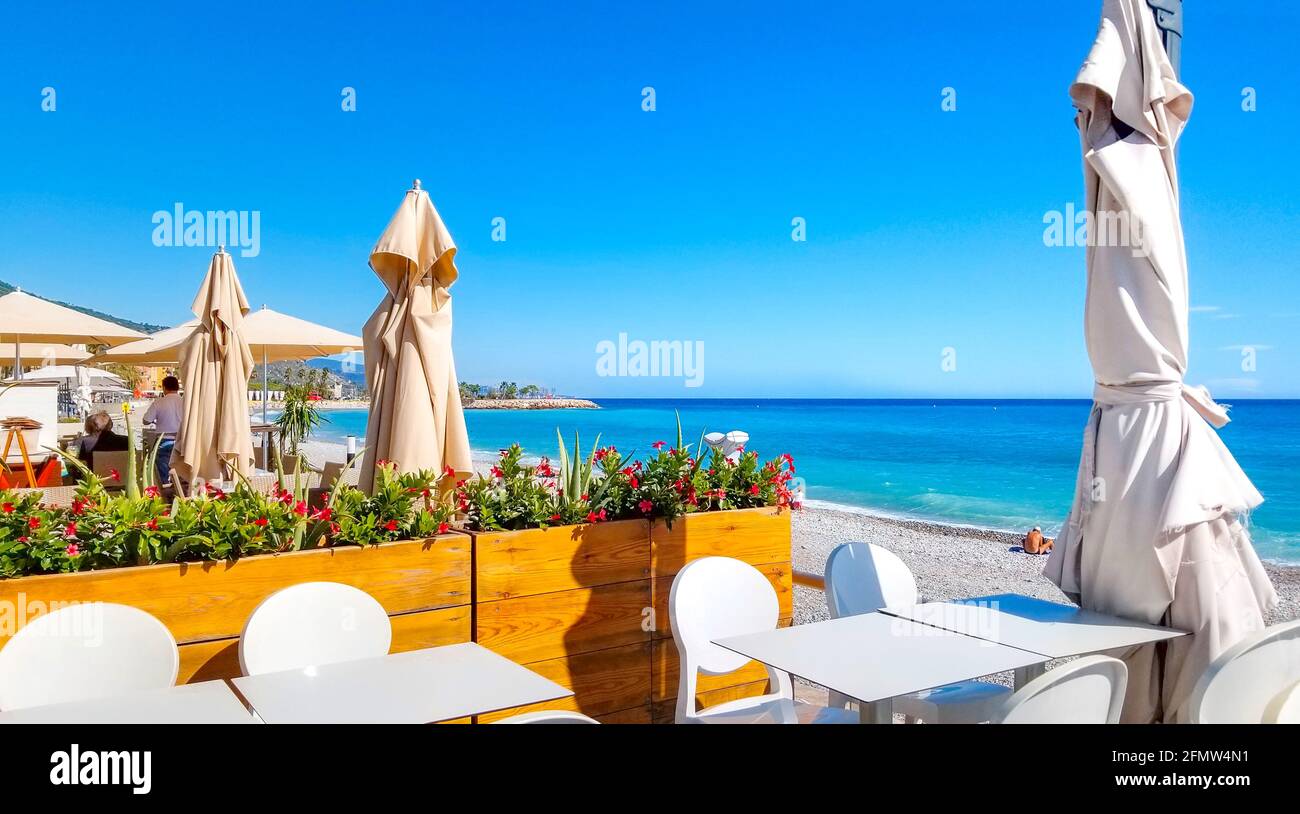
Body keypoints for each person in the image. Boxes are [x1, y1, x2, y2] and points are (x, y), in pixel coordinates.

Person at [143, 375, 184, 484]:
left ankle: (166, 494)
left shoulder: (158, 402)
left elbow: (146, 420)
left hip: (163, 440)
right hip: (182, 440)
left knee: (163, 473)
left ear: (164, 388)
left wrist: (156, 420)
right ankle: (180, 493)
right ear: (178, 388)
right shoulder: (185, 402)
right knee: (182, 471)